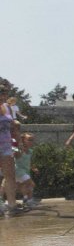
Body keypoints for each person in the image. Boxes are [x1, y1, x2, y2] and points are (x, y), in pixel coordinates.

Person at [0, 84, 22, 215]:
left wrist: (18, 142)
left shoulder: (7, 107)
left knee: (10, 175)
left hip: (6, 145)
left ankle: (12, 204)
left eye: (4, 93)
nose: (3, 96)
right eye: (1, 93)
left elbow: (13, 125)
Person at [11, 133, 39, 206]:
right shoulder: (20, 150)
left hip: (25, 172)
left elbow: (29, 162)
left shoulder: (30, 151)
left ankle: (25, 199)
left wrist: (33, 168)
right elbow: (14, 154)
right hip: (18, 171)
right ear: (23, 140)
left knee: (22, 186)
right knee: (31, 184)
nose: (31, 142)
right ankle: (28, 200)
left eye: (32, 140)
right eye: (29, 140)